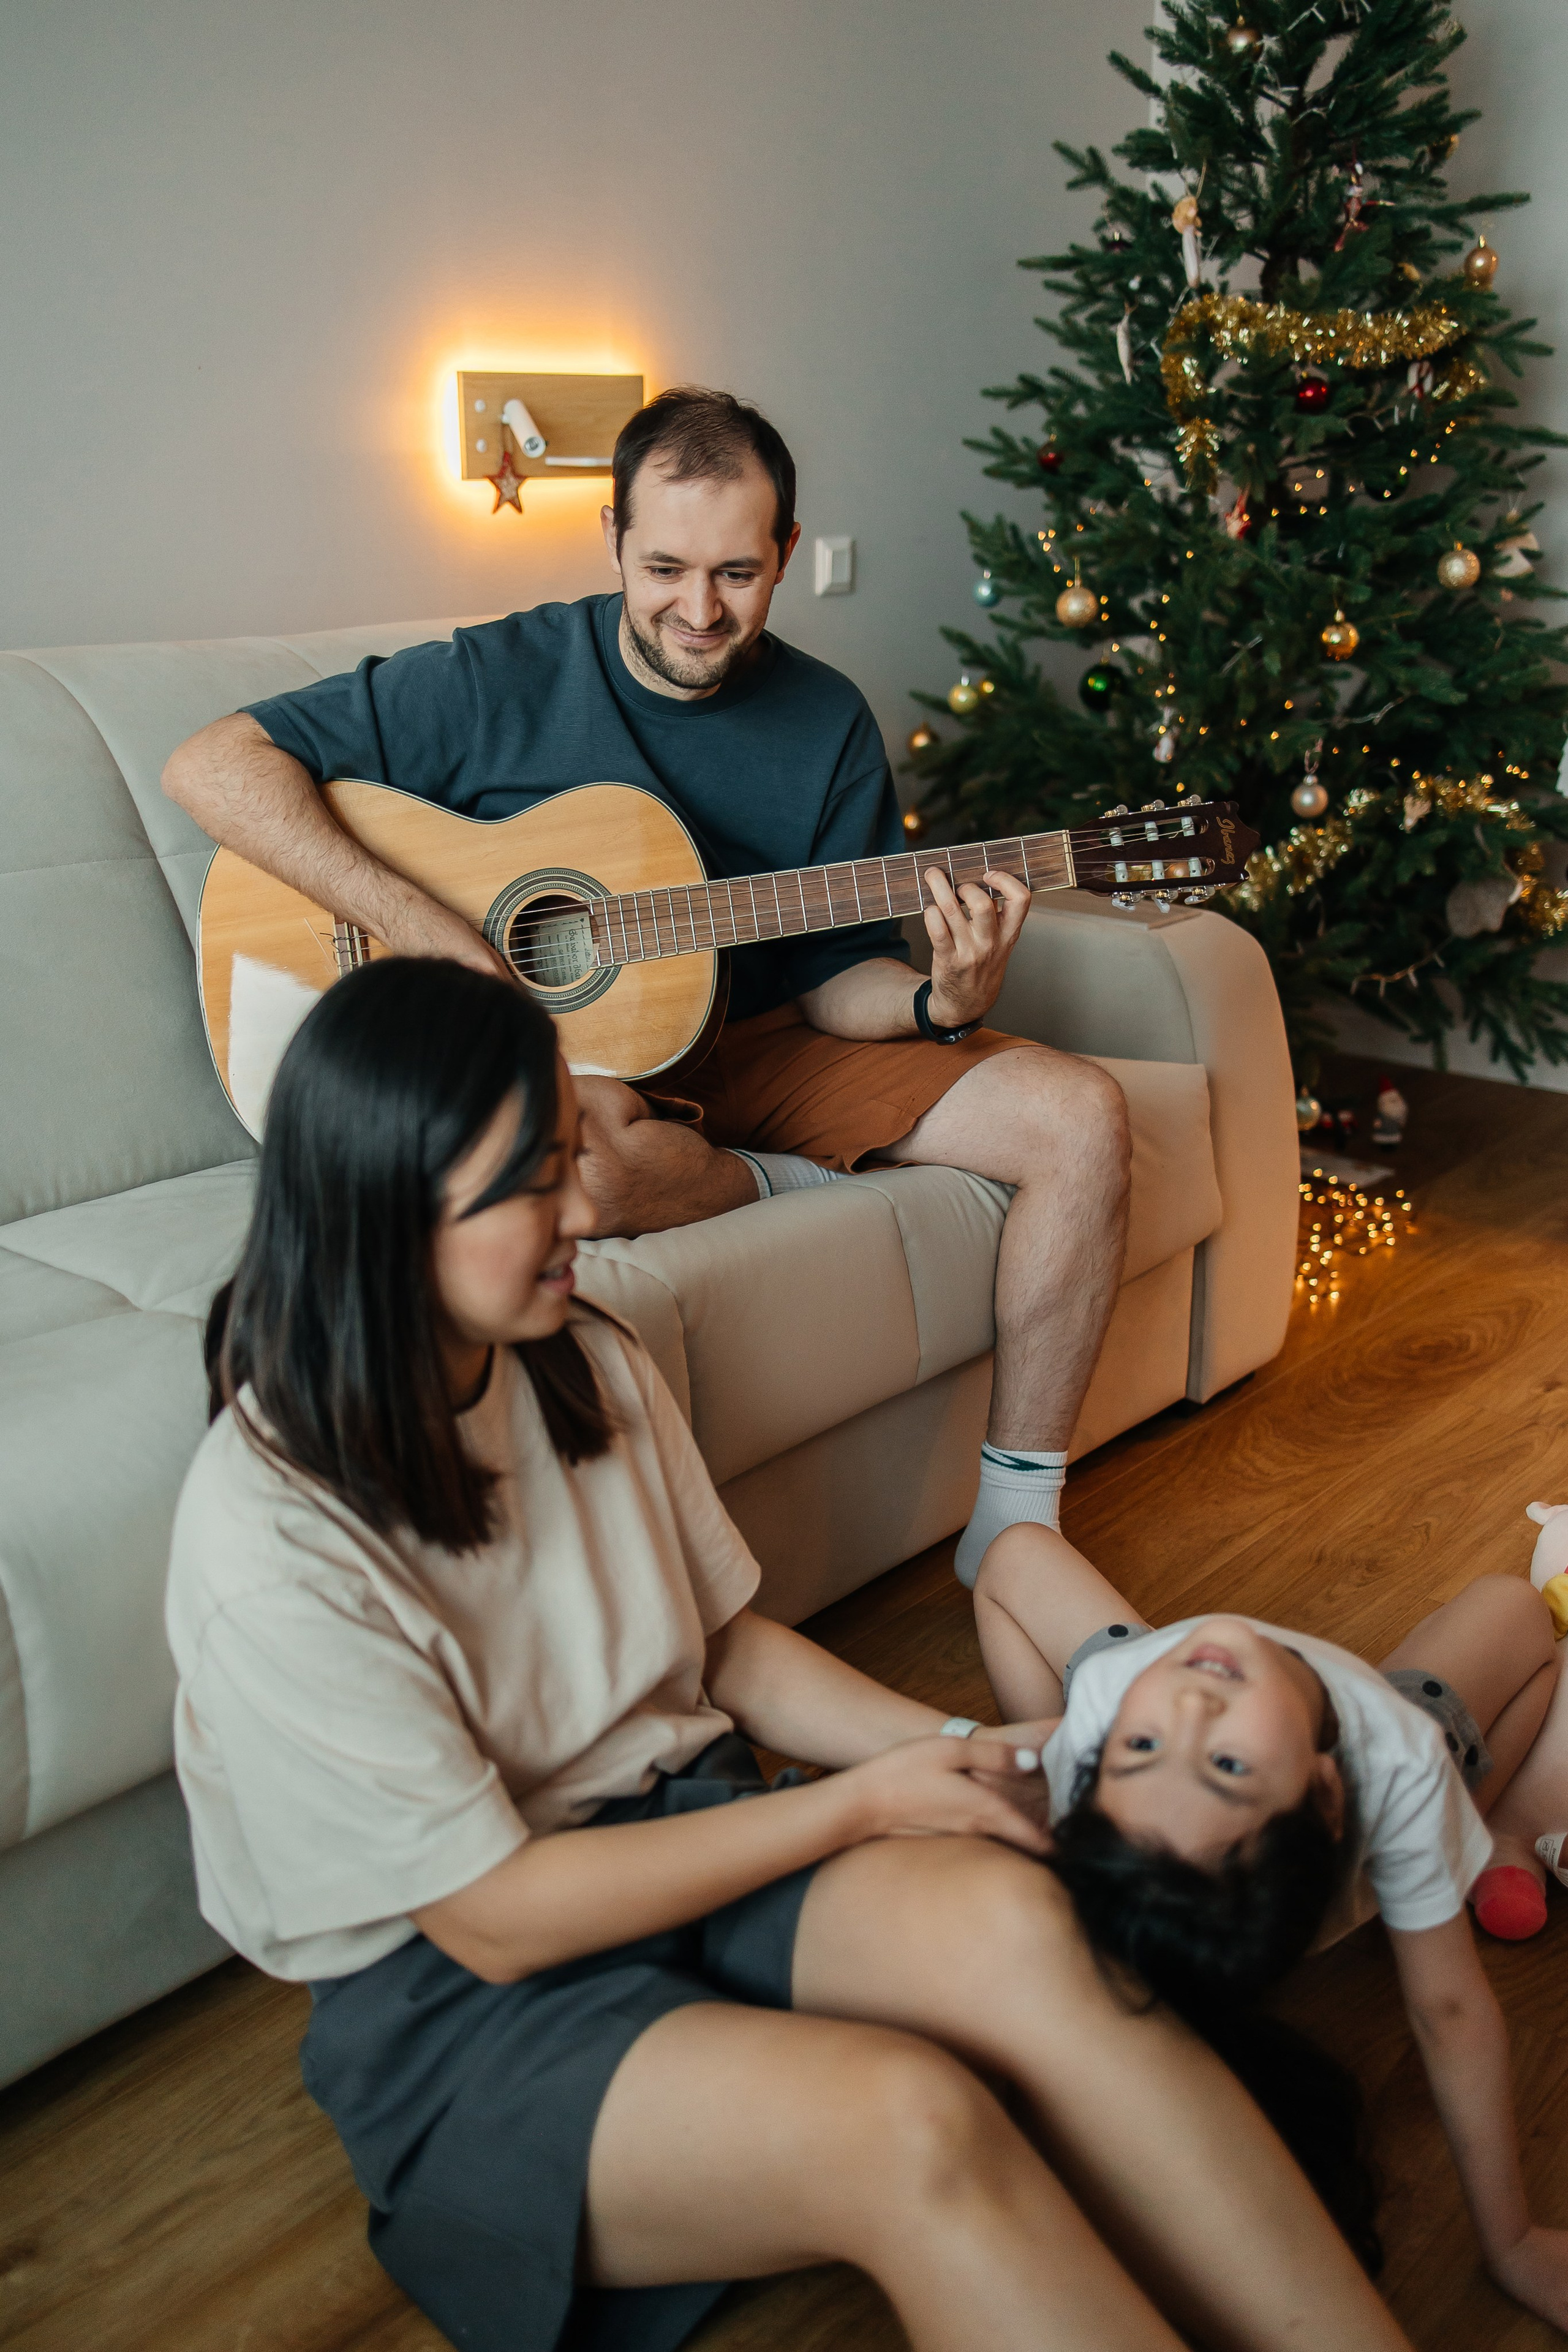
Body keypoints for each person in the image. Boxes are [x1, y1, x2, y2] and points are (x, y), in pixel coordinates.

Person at [165, 958, 1412, 2352]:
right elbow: (495, 1915)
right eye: (526, 1190)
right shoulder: (270, 1537)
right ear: (383, 1214)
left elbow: (724, 1646)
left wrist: (957, 1758)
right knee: (909, 2120)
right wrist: (868, 1803)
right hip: (469, 2009)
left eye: (572, 1154)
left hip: (694, 1835)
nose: (586, 1208)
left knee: (1024, 1920)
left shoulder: (580, 1352)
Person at [160, 385, 1131, 1587]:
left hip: (762, 1034)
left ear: (783, 553)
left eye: (736, 572)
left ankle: (1016, 1519)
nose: (698, 609)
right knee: (587, 1175)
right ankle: (766, 1177)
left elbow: (838, 980)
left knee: (1080, 1115)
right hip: (578, 1075)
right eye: (664, 566)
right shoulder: (496, 675)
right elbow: (212, 764)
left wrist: (942, 1001)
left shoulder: (822, 716)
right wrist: (430, 934)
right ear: (613, 541)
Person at [970, 1520, 1568, 2334]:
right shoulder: (1400, 1758)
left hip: (1164, 1836)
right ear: (1327, 1797)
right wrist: (1513, 2244)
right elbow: (1450, 2013)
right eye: (1226, 1766)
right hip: (1360, 1832)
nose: (1190, 1707)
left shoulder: (1119, 1695)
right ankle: (1492, 1838)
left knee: (1012, 1555)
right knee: (1521, 1614)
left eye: (1140, 1748)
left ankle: (1122, 1874)